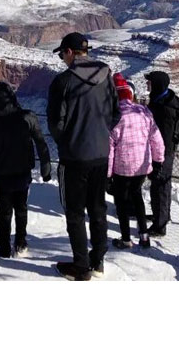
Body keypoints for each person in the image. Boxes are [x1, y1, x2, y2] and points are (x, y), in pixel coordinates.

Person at [47, 31, 120, 281]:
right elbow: (115, 114)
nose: (62, 60)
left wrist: (67, 141)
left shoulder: (63, 82)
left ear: (69, 52)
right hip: (101, 154)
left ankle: (81, 266)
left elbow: (56, 123)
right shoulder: (106, 76)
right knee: (98, 208)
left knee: (75, 213)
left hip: (75, 158)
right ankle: (98, 260)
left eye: (62, 55)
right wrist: (99, 134)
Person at [0, 82, 52, 258]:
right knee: (21, 208)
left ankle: (4, 246)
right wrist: (45, 167)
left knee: (4, 211)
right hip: (23, 172)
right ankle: (20, 242)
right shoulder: (29, 116)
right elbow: (41, 143)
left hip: (3, 173)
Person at [108, 75, 164, 250]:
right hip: (142, 166)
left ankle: (126, 239)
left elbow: (109, 149)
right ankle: (144, 237)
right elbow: (156, 138)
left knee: (122, 203)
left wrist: (107, 174)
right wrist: (158, 161)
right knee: (137, 197)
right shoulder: (143, 111)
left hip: (121, 169)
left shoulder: (113, 115)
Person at [145, 71, 179, 236]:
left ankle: (160, 226)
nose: (147, 85)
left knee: (160, 186)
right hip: (163, 151)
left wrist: (157, 160)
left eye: (150, 82)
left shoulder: (165, 109)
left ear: (157, 85)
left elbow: (162, 138)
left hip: (163, 153)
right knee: (161, 186)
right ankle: (161, 216)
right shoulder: (163, 99)